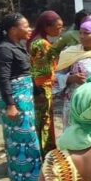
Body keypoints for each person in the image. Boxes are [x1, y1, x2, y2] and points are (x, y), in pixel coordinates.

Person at [0, 13, 42, 181]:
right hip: (16, 100)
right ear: (14, 29)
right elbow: (4, 79)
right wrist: (11, 105)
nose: (29, 29)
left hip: (23, 97)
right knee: (25, 140)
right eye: (26, 26)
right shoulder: (4, 49)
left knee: (17, 139)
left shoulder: (16, 46)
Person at [28, 10, 64, 154]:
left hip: (40, 86)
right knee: (45, 122)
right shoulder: (42, 43)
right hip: (43, 87)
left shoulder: (36, 40)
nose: (60, 30)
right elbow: (44, 71)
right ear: (46, 27)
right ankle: (47, 153)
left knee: (42, 120)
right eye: (58, 27)